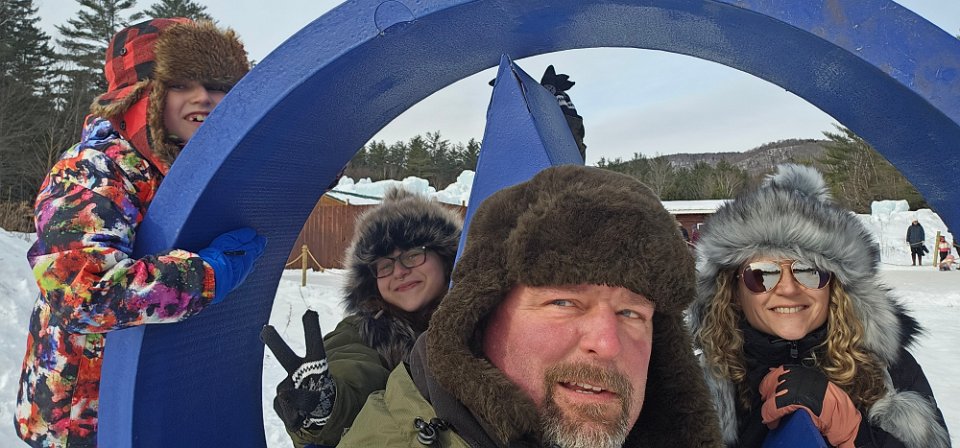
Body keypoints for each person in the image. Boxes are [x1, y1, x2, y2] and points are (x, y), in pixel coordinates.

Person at [337, 165, 724, 448]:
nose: (608, 343)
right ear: (479, 315)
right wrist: (328, 400)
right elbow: (350, 365)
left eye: (631, 313)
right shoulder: (366, 334)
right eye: (563, 301)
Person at [15, 18, 266, 447]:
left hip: (152, 404)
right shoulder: (94, 170)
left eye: (217, 85)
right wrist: (205, 276)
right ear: (141, 96)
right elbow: (83, 294)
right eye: (181, 83)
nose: (203, 97)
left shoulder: (187, 172)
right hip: (82, 419)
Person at [689, 164, 950, 448]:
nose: (788, 289)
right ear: (734, 289)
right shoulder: (697, 383)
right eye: (762, 274)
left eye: (809, 271)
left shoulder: (891, 371)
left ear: (834, 285)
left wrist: (854, 433)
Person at [261, 188, 462, 447]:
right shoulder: (361, 330)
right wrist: (328, 403)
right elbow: (353, 368)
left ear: (445, 259)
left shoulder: (486, 318)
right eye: (385, 265)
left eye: (413, 255)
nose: (399, 271)